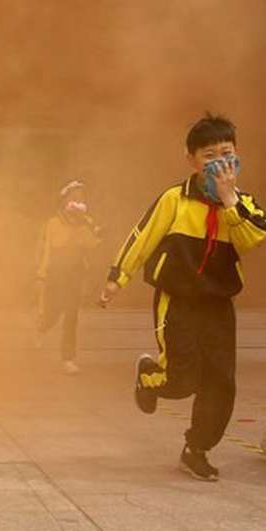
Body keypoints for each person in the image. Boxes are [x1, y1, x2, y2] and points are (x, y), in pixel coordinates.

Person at [100, 114, 266, 481]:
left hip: (219, 306)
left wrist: (228, 200)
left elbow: (252, 238)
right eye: (209, 155)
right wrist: (117, 276)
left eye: (227, 153)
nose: (220, 163)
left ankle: (197, 448)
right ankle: (149, 376)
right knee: (181, 380)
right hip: (177, 300)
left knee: (221, 383)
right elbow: (141, 236)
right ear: (191, 158)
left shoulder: (243, 206)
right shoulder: (174, 199)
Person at [35, 180, 102, 374]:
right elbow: (49, 248)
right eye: (74, 198)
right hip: (55, 274)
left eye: (81, 198)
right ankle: (41, 327)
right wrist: (40, 275)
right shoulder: (53, 223)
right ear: (64, 200)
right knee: (54, 312)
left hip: (75, 275)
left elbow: (92, 245)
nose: (78, 201)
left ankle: (68, 358)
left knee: (71, 315)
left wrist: (96, 234)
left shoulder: (86, 221)